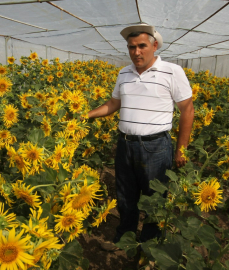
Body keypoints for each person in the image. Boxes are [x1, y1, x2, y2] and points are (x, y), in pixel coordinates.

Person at [87, 24, 194, 244]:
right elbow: (114, 103)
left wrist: (182, 149)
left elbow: (187, 109)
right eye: (131, 47)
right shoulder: (124, 73)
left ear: (154, 46)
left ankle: (148, 245)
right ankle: (125, 238)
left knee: (155, 199)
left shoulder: (172, 71)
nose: (136, 52)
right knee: (125, 196)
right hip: (125, 144)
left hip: (155, 147)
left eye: (142, 46)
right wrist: (87, 115)